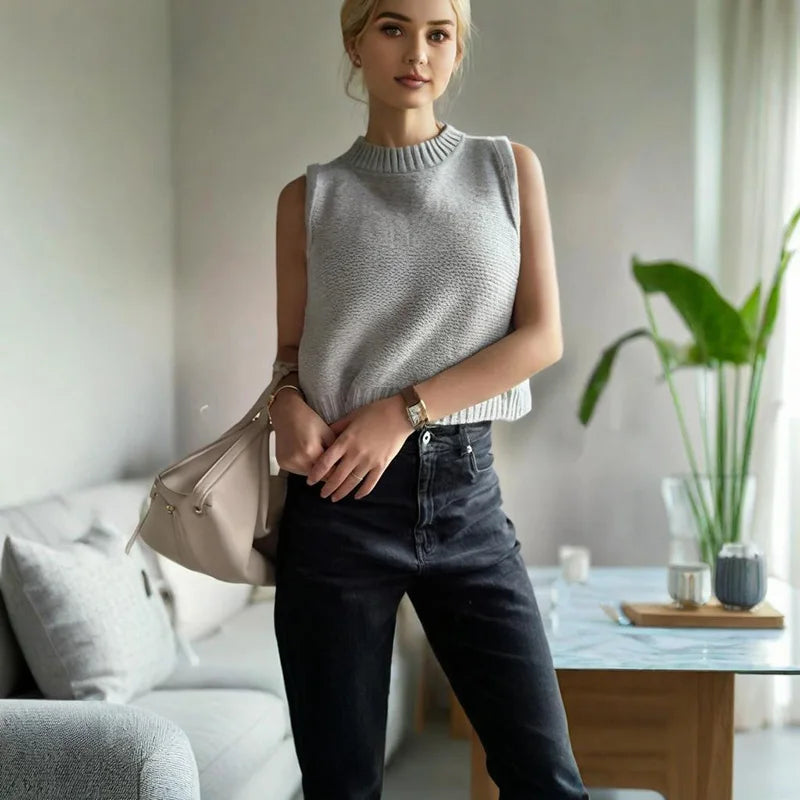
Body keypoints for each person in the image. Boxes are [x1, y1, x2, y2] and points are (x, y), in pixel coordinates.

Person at [267, 1, 589, 797]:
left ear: (456, 48)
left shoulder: (506, 169)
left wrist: (402, 410)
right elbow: (288, 357)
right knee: (342, 787)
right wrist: (285, 405)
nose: (418, 51)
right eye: (393, 27)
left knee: (545, 777)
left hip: (465, 498)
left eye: (439, 33)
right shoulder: (307, 199)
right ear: (354, 41)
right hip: (337, 506)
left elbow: (540, 338)